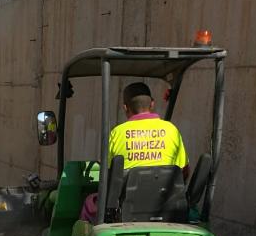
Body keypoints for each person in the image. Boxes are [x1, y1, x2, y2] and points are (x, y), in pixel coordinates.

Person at [80, 82, 189, 222]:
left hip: (126, 211)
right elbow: (184, 171)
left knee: (89, 202)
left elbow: (107, 174)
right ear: (152, 104)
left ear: (125, 108)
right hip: (167, 207)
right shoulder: (171, 130)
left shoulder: (117, 133)